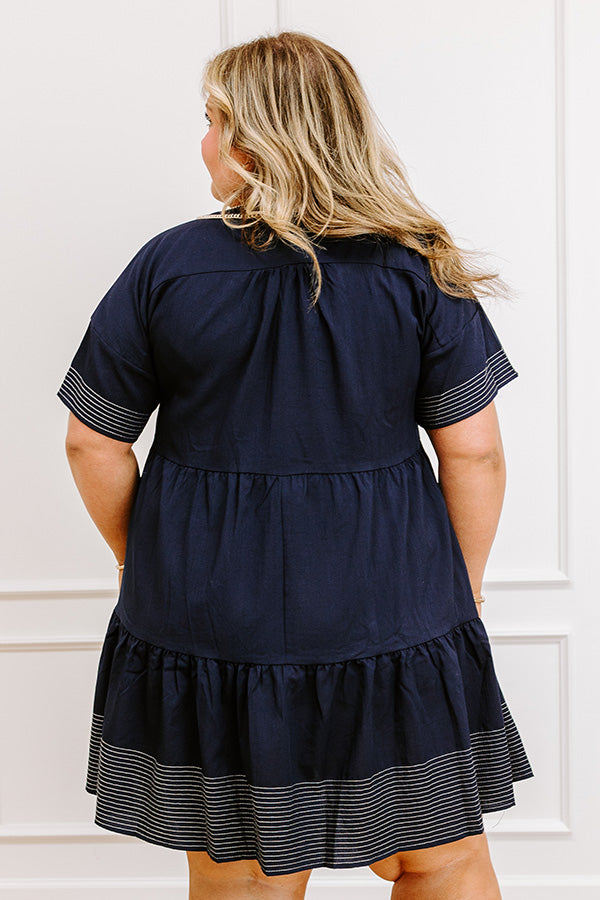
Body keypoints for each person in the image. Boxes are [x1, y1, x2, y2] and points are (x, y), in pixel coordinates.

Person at [58, 31, 534, 900]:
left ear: (254, 140)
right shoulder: (416, 265)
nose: (204, 140)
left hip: (210, 610)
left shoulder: (168, 266)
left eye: (213, 120)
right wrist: (458, 587)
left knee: (245, 876)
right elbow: (476, 449)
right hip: (393, 604)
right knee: (439, 859)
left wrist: (140, 559)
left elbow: (93, 439)